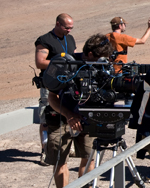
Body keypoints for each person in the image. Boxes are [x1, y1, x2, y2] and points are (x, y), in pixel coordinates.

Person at [45, 34, 114, 188]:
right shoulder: (65, 64)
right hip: (61, 118)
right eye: (99, 58)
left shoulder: (102, 67)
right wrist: (69, 115)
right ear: (89, 54)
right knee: (60, 161)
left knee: (89, 158)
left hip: (88, 118)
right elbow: (52, 97)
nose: (102, 62)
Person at [34, 13, 76, 166]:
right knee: (47, 117)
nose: (69, 30)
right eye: (66, 27)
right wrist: (62, 63)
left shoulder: (70, 39)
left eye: (71, 27)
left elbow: (74, 57)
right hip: (51, 84)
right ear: (58, 24)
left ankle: (66, 147)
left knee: (67, 114)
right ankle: (45, 150)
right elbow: (40, 62)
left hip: (68, 85)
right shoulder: (45, 40)